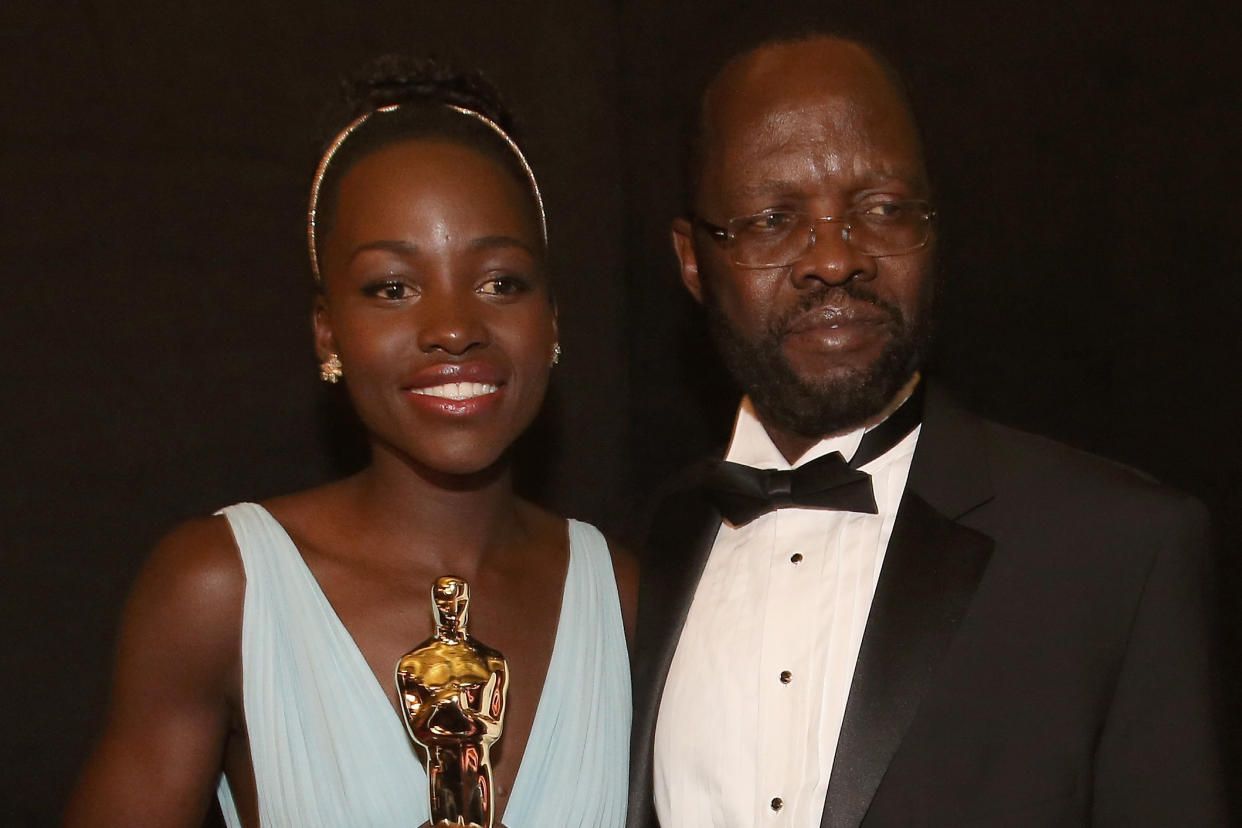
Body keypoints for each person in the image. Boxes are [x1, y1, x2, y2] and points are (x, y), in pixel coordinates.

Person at [628, 35, 1227, 827]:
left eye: (881, 209)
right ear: (693, 261)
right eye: (774, 219)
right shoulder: (638, 558)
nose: (836, 259)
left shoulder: (1121, 554)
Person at [65, 57, 634, 828]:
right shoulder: (219, 590)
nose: (455, 328)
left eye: (501, 281)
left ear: (554, 321)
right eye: (392, 288)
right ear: (327, 330)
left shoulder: (630, 600)